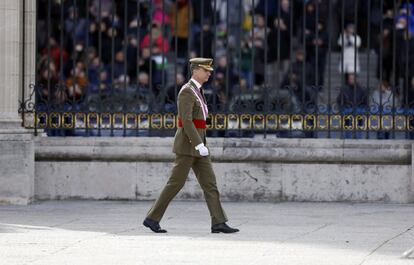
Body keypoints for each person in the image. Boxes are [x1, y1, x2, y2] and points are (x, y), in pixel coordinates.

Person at [143, 58, 239, 234]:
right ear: (195, 70)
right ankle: (152, 218)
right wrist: (198, 144)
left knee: (210, 184)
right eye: (206, 70)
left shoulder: (197, 90)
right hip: (189, 145)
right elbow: (186, 121)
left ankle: (218, 221)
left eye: (209, 71)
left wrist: (201, 144)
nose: (209, 73)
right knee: (175, 183)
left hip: (199, 144)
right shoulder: (187, 91)